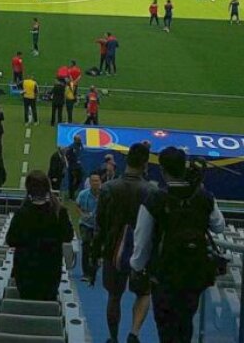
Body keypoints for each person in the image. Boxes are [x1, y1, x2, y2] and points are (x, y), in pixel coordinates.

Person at [131, 146, 226, 343]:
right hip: (194, 274)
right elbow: (219, 226)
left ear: (163, 170)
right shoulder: (203, 196)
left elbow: (141, 239)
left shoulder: (155, 198)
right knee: (186, 324)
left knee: (167, 329)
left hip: (165, 276)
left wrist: (137, 267)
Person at [97, 142, 155, 343]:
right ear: (145, 164)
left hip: (114, 248)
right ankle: (134, 333)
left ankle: (113, 338)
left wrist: (94, 254)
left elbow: (100, 225)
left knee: (114, 295)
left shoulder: (108, 187)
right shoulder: (151, 190)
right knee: (143, 292)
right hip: (142, 249)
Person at [6, 171, 75, 301]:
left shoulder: (22, 213)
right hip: (50, 270)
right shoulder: (59, 212)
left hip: (25, 270)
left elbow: (11, 240)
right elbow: (68, 236)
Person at [77, 173, 103, 285]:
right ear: (90, 182)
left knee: (97, 249)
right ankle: (85, 273)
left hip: (99, 225)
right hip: (85, 224)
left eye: (97, 181)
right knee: (86, 245)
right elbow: (77, 205)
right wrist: (82, 214)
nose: (95, 183)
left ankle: (93, 269)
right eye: (93, 181)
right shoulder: (83, 194)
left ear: (100, 182)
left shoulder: (104, 195)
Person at [65, 135, 85, 200]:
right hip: (72, 167)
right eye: (78, 140)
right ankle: (71, 196)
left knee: (79, 179)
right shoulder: (71, 147)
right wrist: (73, 161)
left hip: (78, 167)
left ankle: (73, 191)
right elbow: (67, 156)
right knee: (71, 180)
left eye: (80, 139)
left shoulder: (80, 145)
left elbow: (81, 152)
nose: (80, 141)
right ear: (75, 140)